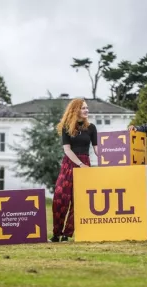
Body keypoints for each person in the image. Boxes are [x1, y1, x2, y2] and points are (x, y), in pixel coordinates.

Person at [49, 98, 98, 242]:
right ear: (75, 109)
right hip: (69, 164)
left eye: (87, 108)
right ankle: (56, 233)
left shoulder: (91, 128)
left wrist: (112, 156)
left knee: (79, 201)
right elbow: (67, 150)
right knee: (60, 197)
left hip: (85, 165)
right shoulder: (66, 127)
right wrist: (80, 164)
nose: (86, 110)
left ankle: (67, 234)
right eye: (83, 108)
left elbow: (97, 149)